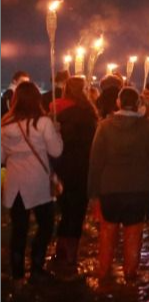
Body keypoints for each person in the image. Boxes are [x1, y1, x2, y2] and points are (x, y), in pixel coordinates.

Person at [87, 87, 149, 282]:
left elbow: (95, 161)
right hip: (139, 187)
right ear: (137, 104)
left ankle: (103, 274)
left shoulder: (104, 126)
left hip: (110, 187)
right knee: (133, 233)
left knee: (107, 231)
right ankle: (130, 275)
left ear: (118, 103)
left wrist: (93, 193)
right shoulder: (148, 126)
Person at [1, 81, 64, 285]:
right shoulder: (43, 123)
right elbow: (56, 151)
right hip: (38, 182)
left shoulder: (5, 125)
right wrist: (57, 133)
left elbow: (1, 157)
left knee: (19, 229)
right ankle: (37, 267)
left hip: (15, 184)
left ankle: (17, 274)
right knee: (46, 225)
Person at [50, 76, 98, 272]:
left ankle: (60, 249)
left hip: (63, 166)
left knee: (65, 210)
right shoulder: (89, 113)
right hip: (83, 167)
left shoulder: (58, 110)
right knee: (77, 211)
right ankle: (71, 254)